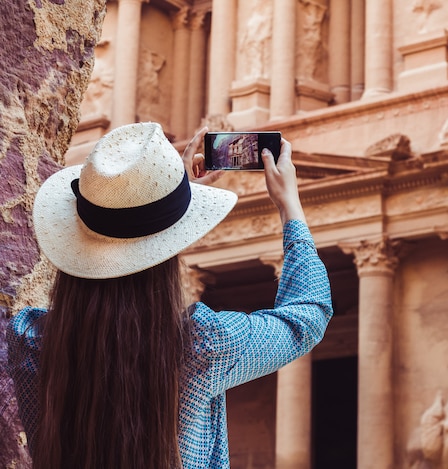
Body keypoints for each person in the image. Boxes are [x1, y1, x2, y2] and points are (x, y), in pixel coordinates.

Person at [6, 122, 333, 469]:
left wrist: (162, 208)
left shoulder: (29, 341)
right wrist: (289, 206)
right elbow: (308, 314)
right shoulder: (204, 345)